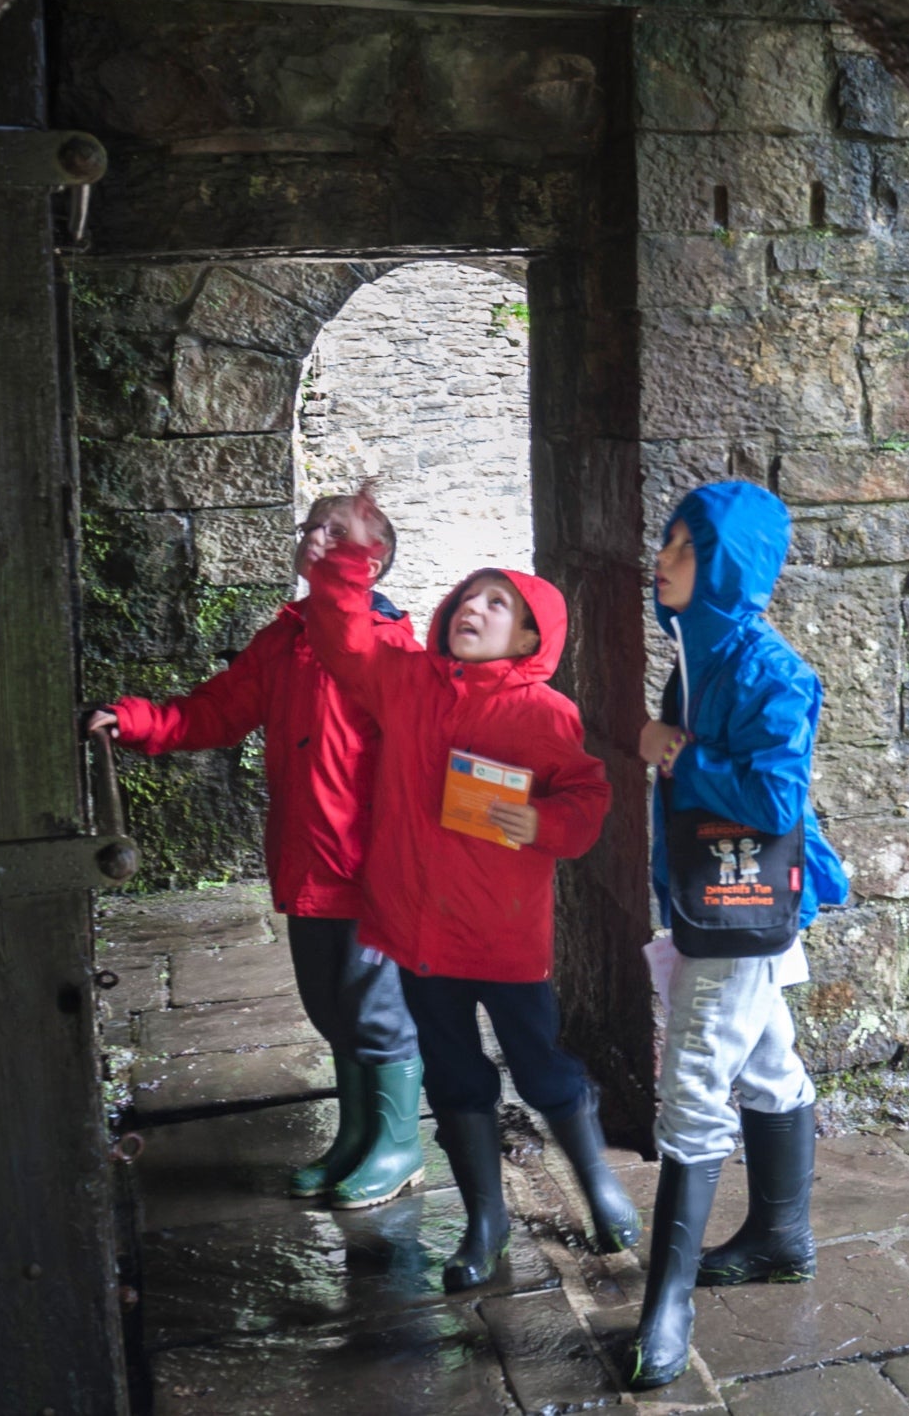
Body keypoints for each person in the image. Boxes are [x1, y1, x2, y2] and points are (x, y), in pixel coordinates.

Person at [296, 490, 640, 1291]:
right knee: (454, 1077)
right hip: (418, 935)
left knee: (543, 1068)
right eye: (468, 597)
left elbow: (587, 801)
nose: (474, 610)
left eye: (499, 605)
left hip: (504, 938)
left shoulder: (544, 713)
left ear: (530, 638)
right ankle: (485, 1223)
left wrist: (543, 825)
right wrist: (349, 551)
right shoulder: (405, 682)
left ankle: (600, 1187)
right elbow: (344, 637)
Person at [87, 494, 426, 1208]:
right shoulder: (285, 642)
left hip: (373, 874)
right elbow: (217, 709)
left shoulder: (389, 649)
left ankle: (399, 1148)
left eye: (338, 530)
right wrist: (137, 719)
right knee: (333, 1010)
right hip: (310, 865)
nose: (315, 535)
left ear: (375, 559)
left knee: (379, 1011)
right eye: (311, 526)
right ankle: (357, 1138)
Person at [626, 481, 851, 1392]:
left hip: (742, 912)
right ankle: (780, 1236)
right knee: (762, 1062)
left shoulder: (767, 668)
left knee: (692, 1082)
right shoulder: (697, 657)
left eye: (681, 548)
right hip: (717, 900)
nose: (661, 559)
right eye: (669, 544)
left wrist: (672, 751)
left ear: (721, 566)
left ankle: (667, 1303)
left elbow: (773, 801)